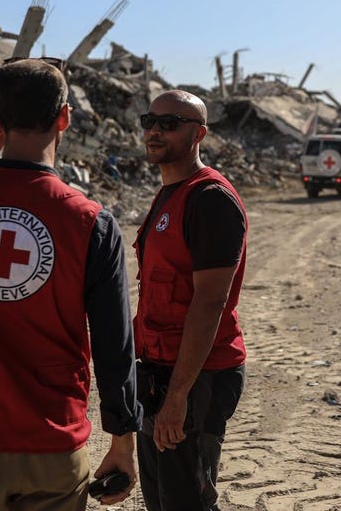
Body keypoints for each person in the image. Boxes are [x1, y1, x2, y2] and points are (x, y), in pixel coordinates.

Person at [0, 58, 141, 511]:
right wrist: (123, 444)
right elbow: (115, 346)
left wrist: (1, 125)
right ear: (65, 118)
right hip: (52, 440)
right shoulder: (91, 223)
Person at [134, 90, 248, 511]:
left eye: (169, 123)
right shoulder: (169, 192)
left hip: (198, 378)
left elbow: (209, 304)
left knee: (189, 503)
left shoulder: (210, 199)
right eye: (149, 120)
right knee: (162, 502)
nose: (154, 131)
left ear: (198, 133)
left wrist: (178, 397)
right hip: (161, 371)